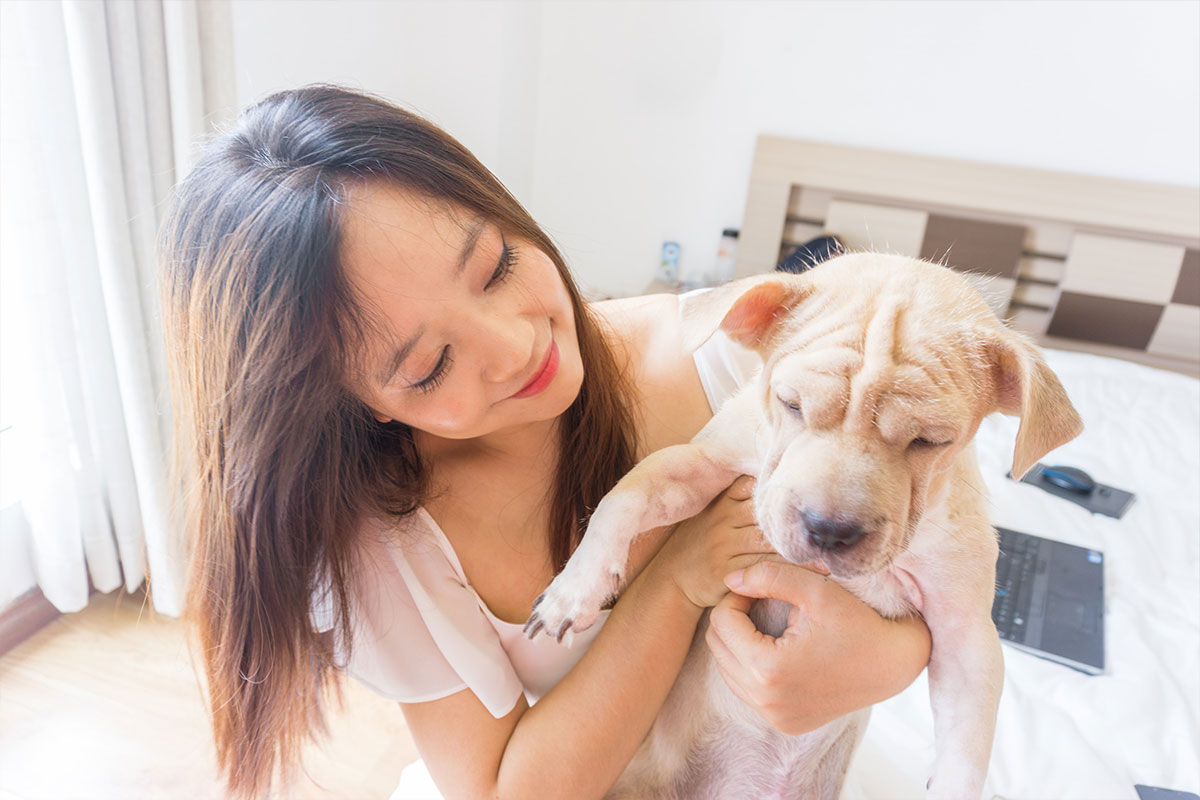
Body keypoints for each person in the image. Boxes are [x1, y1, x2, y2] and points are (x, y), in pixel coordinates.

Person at [160, 85, 932, 800]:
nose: (516, 346)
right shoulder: (385, 547)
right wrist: (679, 577)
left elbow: (943, 587)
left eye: (496, 267)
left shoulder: (740, 361)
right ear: (350, 406)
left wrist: (887, 662)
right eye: (430, 366)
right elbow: (509, 791)